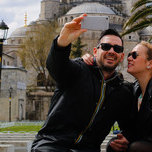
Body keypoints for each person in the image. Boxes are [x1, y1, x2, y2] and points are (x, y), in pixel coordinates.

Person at [31, 14, 133, 152]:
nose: (111, 51)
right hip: (53, 144)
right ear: (96, 51)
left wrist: (116, 142)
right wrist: (61, 43)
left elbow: (129, 128)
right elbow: (56, 67)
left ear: (121, 57)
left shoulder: (122, 91)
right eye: (106, 46)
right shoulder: (78, 70)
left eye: (117, 49)